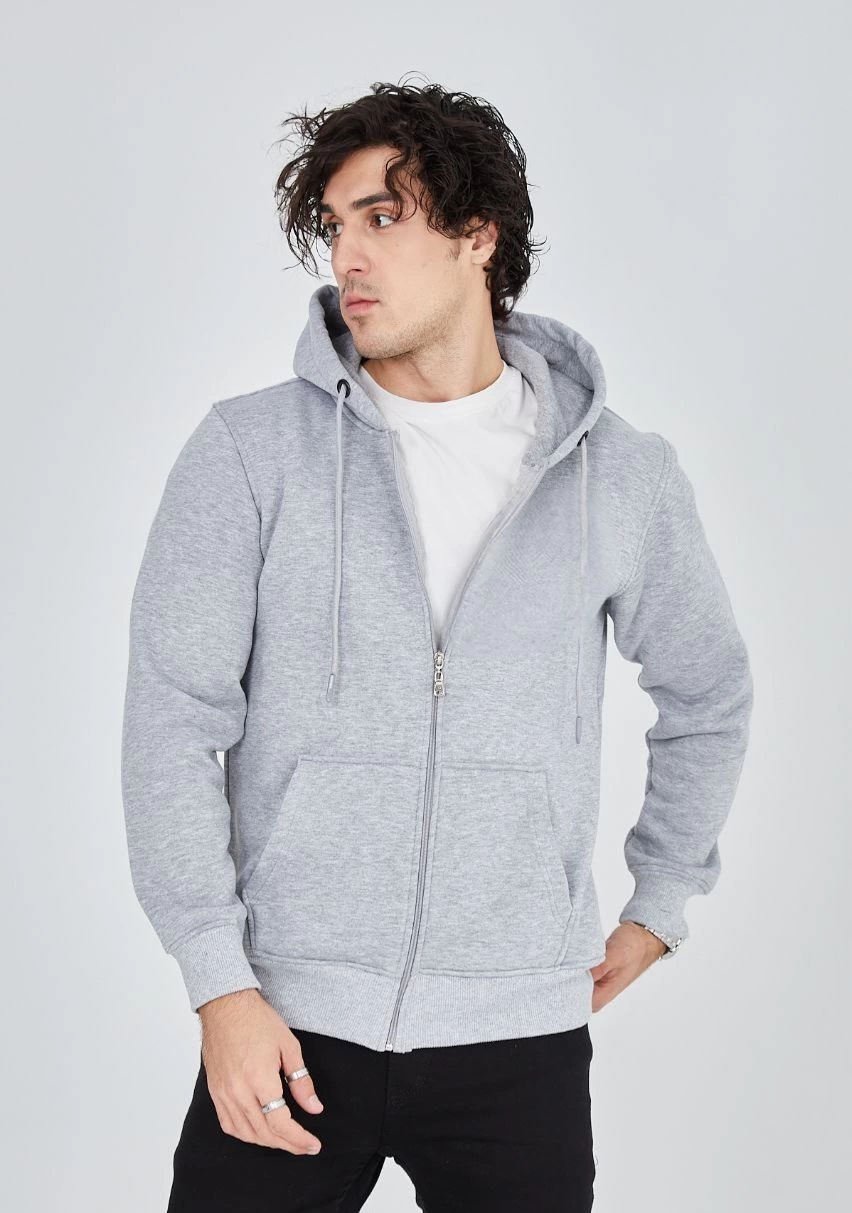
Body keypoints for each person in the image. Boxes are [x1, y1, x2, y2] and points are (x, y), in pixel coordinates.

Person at [120, 79, 754, 1212]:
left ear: (478, 235)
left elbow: (707, 691)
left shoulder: (624, 476)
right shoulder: (251, 453)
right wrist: (220, 987)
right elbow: (172, 726)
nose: (347, 256)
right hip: (287, 1025)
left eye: (383, 217)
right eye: (334, 225)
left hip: (518, 1038)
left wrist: (661, 898)